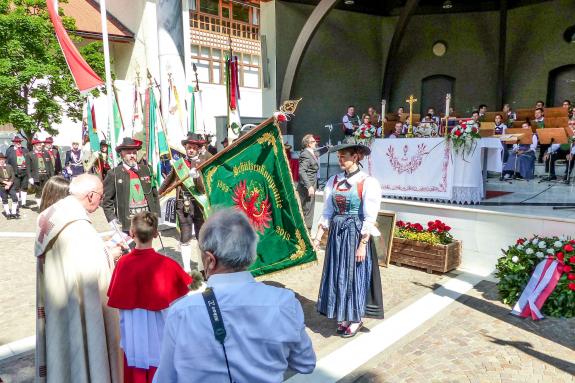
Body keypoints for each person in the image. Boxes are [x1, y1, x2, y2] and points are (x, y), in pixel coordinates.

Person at [153, 208, 316, 382]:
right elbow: (306, 363)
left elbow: (164, 379)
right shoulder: (284, 303)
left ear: (210, 260)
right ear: (251, 254)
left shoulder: (182, 313)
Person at [35, 174, 122, 383]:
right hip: (76, 305)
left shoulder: (53, 214)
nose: (100, 202)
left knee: (62, 355)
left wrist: (102, 249)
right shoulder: (79, 227)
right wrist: (111, 254)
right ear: (90, 196)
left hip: (58, 301)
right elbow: (93, 275)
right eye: (100, 197)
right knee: (84, 350)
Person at [107, 212, 192, 383]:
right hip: (161, 340)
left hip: (132, 340)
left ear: (132, 233)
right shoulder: (168, 265)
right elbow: (180, 306)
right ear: (156, 233)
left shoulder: (123, 264)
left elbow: (116, 298)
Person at [313, 142, 384, 338]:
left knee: (354, 274)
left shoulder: (368, 182)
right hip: (337, 234)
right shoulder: (333, 181)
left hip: (355, 234)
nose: (340, 160)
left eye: (344, 156)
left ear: (356, 157)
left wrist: (362, 245)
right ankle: (343, 314)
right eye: (339, 157)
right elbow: (327, 211)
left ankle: (355, 318)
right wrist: (318, 237)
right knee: (338, 273)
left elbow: (370, 217)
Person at [159, 133, 211, 273]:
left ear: (199, 148)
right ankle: (187, 270)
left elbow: (203, 187)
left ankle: (202, 268)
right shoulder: (179, 165)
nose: (191, 150)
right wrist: (157, 195)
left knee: (201, 237)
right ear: (186, 148)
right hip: (183, 205)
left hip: (199, 205)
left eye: (194, 147)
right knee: (185, 236)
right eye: (189, 147)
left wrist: (197, 177)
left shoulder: (205, 161)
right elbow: (167, 182)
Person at [103, 137, 161, 233]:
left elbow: (154, 194)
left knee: (146, 247)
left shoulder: (146, 169)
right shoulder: (113, 173)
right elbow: (106, 200)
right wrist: (112, 219)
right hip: (127, 221)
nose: (132, 155)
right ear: (121, 155)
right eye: (128, 153)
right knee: (131, 247)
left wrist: (156, 214)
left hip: (147, 219)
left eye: (134, 152)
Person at [297, 134, 328, 229]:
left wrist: (327, 148)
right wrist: (309, 186)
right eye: (314, 141)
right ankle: (306, 234)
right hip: (307, 186)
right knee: (307, 209)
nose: (316, 143)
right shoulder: (306, 154)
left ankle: (306, 232)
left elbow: (318, 153)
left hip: (311, 185)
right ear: (308, 144)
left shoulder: (312, 153)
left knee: (309, 209)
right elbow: (302, 171)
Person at [26, 138, 54, 206]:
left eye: (40, 145)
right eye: (38, 145)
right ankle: (40, 206)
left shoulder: (46, 153)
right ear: (34, 146)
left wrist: (52, 176)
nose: (39, 146)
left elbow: (50, 166)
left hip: (46, 176)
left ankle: (45, 204)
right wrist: (30, 177)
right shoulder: (30, 154)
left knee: (46, 191)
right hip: (36, 176)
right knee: (39, 192)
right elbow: (28, 167)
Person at [5, 136, 29, 210]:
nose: (18, 143)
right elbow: (7, 162)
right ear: (14, 142)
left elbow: (29, 161)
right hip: (15, 172)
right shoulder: (9, 150)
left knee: (24, 188)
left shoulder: (25, 150)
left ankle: (24, 203)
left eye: (19, 142)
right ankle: (17, 203)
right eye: (17, 142)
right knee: (16, 188)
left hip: (25, 171)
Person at [0, 152, 19, 219]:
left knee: (15, 198)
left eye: (2, 159)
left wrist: (10, 183)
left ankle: (13, 212)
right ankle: (8, 213)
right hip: (2, 186)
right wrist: (5, 182)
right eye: (0, 159)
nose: (1, 160)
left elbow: (13, 175)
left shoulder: (9, 166)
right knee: (4, 199)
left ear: (5, 159)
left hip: (11, 185)